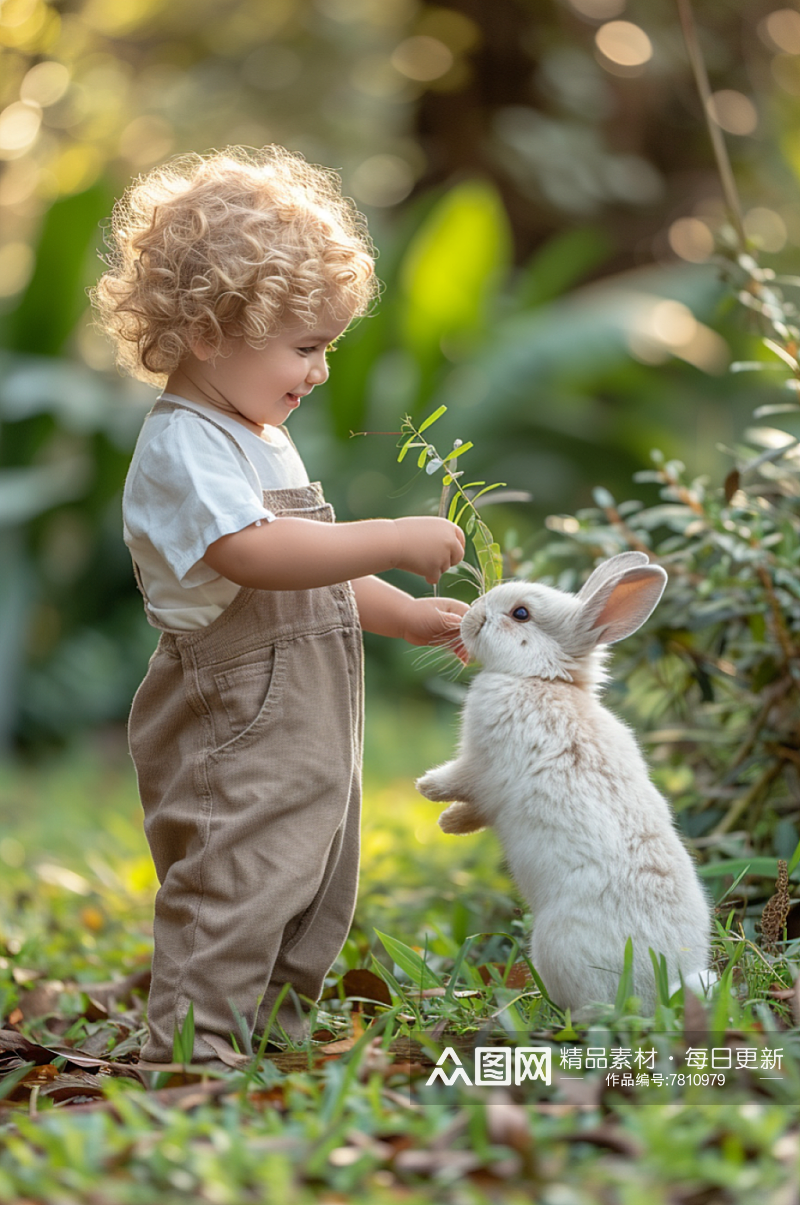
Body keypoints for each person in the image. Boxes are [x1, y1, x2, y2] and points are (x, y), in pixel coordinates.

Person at [92, 146, 468, 1065]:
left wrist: (404, 614)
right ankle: (194, 1048)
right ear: (214, 331)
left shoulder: (256, 439)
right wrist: (386, 535)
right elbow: (251, 555)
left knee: (311, 868)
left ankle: (273, 1027)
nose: (322, 372)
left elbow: (312, 568)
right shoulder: (186, 445)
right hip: (234, 706)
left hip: (304, 699)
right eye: (306, 347)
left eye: (327, 347)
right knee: (239, 868)